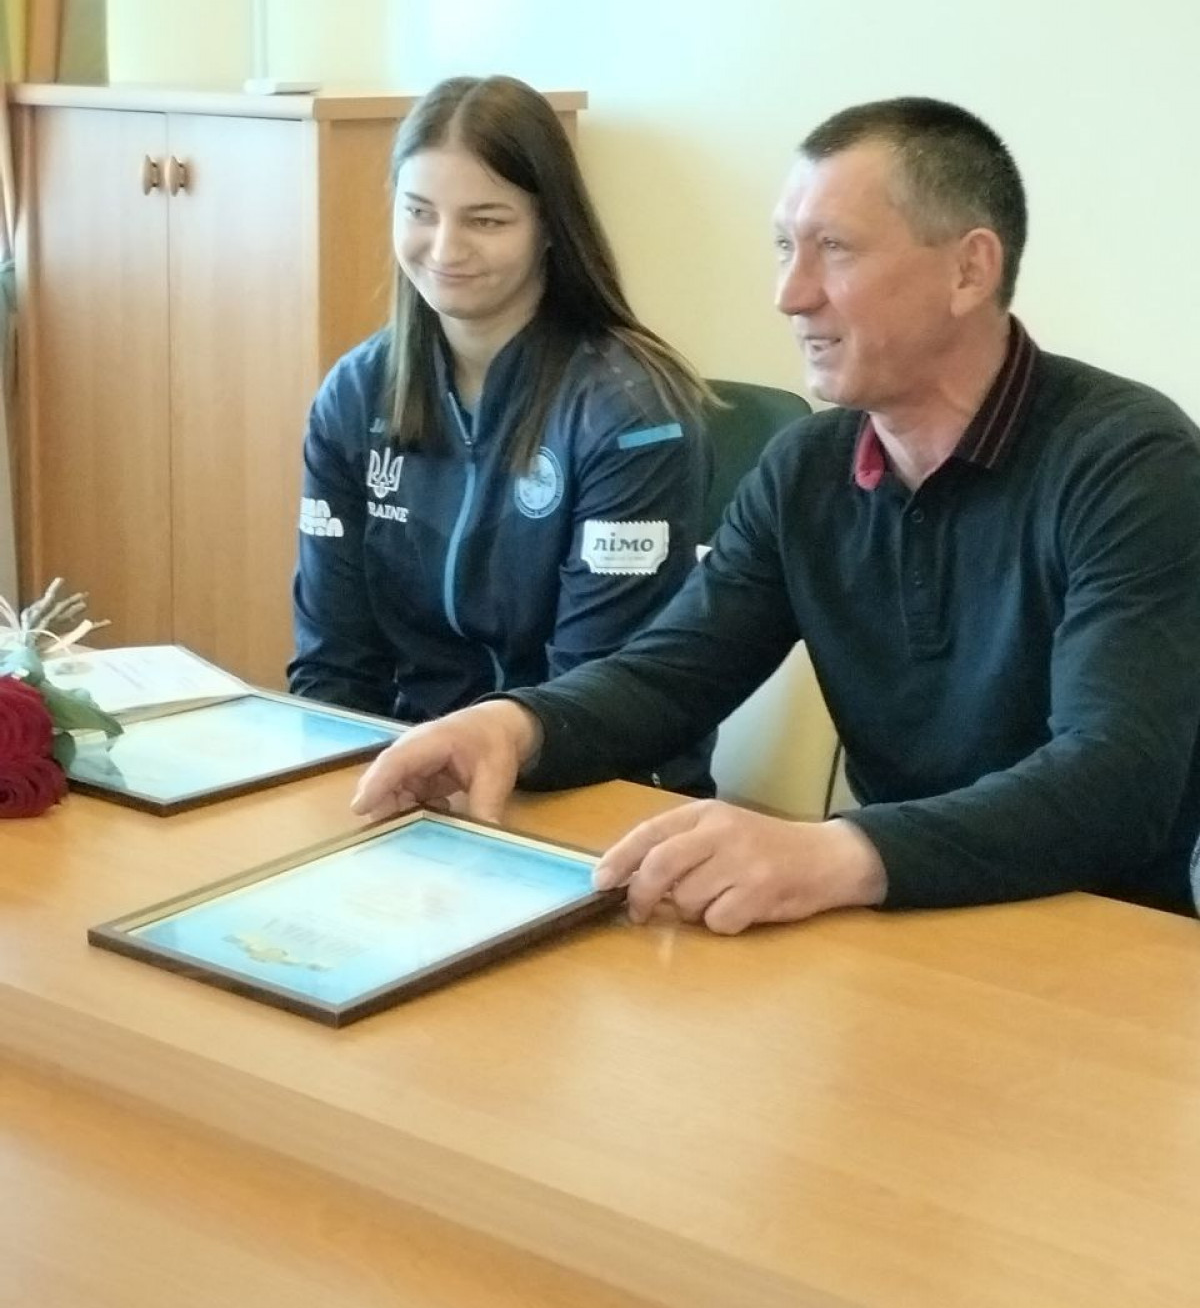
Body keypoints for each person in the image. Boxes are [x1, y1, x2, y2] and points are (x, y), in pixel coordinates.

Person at [350, 96, 1200, 927]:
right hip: (893, 917)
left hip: (1105, 935)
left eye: (834, 250)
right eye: (786, 247)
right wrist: (515, 726)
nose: (790, 295)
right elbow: (670, 676)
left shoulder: (1131, 463)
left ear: (969, 270)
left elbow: (1115, 783)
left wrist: (834, 853)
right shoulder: (807, 467)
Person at [289, 74, 715, 792]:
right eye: (419, 212)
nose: (444, 248)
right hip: (408, 779)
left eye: (486, 221)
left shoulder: (632, 416)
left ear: (550, 227)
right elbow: (333, 669)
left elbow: (596, 704)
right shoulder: (355, 395)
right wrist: (342, 801)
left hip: (591, 788)